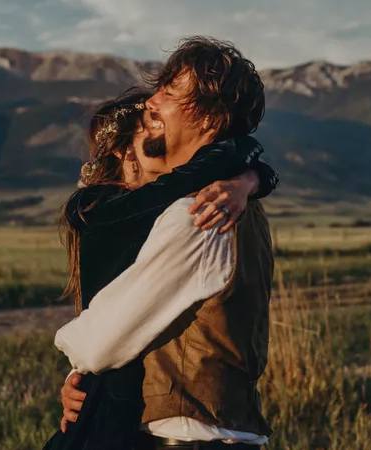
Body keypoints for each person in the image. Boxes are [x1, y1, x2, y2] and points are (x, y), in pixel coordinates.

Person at [54, 37, 275, 450]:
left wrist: (79, 365)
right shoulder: (231, 200)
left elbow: (102, 343)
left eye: (171, 93)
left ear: (211, 120)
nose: (153, 101)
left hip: (190, 436)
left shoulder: (200, 213)